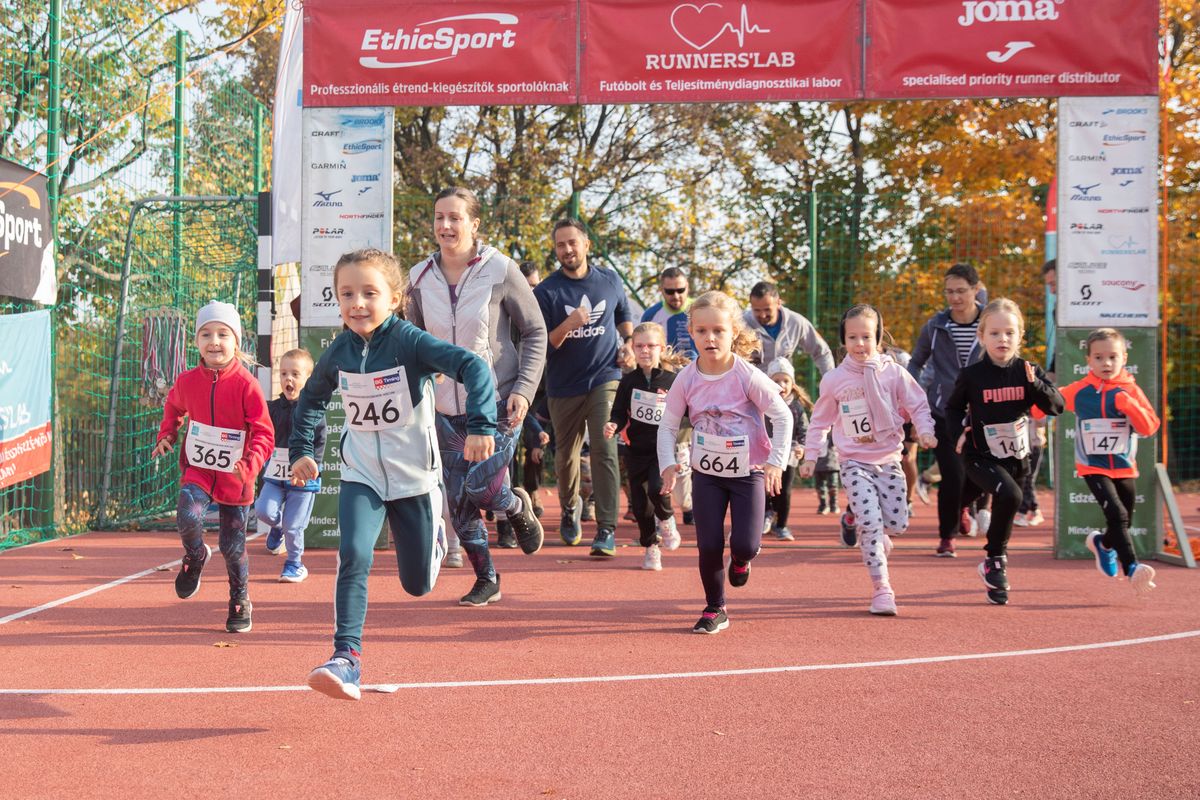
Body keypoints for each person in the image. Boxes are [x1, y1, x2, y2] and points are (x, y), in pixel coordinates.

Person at [290, 248, 496, 701]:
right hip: (360, 473)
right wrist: (302, 450)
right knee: (354, 555)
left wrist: (482, 425)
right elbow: (310, 399)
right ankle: (346, 659)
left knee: (417, 585)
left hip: (413, 479)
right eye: (346, 294)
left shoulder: (410, 343)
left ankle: (436, 540)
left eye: (369, 293)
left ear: (395, 297)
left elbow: (473, 367)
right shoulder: (339, 351)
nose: (357, 303)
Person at [408, 187, 547, 607]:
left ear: (474, 224)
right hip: (445, 411)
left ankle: (513, 505)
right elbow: (415, 344)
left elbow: (535, 332)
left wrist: (523, 389)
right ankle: (487, 579)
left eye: (454, 217)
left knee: (482, 488)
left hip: (499, 403)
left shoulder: (500, 270)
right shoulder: (419, 277)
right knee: (459, 502)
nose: (445, 226)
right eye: (438, 217)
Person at [657, 291, 792, 634]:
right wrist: (668, 463)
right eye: (702, 331)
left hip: (748, 473)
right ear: (691, 333)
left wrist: (776, 462)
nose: (710, 338)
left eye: (718, 330)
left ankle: (742, 560)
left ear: (734, 332)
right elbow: (669, 424)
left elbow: (783, 416)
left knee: (746, 544)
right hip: (707, 474)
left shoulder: (747, 376)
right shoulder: (686, 378)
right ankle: (715, 607)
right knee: (708, 543)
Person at [800, 305, 936, 616]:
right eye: (853, 337)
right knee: (871, 525)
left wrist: (925, 431)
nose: (860, 344)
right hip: (854, 463)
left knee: (897, 524)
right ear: (843, 341)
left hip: (889, 460)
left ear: (878, 337)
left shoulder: (893, 373)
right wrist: (811, 457)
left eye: (866, 336)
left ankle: (867, 530)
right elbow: (820, 422)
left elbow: (917, 404)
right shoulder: (834, 380)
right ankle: (881, 588)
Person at [151, 300, 273, 633]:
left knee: (233, 547)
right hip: (200, 470)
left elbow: (264, 433)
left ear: (236, 342)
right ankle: (194, 557)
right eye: (206, 334)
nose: (214, 341)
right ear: (196, 343)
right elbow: (173, 406)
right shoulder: (188, 381)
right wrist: (168, 435)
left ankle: (240, 598)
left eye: (222, 333)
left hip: (236, 476)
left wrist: (250, 465)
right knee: (188, 515)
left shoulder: (247, 385)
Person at [946, 298, 1064, 605]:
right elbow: (953, 406)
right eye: (995, 333)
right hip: (979, 456)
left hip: (1014, 458)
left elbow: (1057, 406)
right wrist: (958, 433)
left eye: (1010, 333)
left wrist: (1035, 384)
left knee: (981, 495)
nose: (1003, 340)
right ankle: (995, 560)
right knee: (1010, 495)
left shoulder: (1027, 371)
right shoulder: (973, 375)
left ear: (1020, 336)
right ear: (981, 337)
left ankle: (964, 510)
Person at [533, 218, 633, 557]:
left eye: (572, 243)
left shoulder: (609, 280)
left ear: (586, 244)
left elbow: (623, 313)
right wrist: (569, 324)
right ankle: (569, 507)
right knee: (566, 458)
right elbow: (542, 345)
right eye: (560, 245)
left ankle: (606, 528)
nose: (567, 250)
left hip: (605, 378)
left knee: (605, 448)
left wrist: (630, 342)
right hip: (563, 385)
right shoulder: (546, 292)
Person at [1056, 328, 1160, 594]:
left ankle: (1104, 544)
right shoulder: (1080, 390)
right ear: (1088, 360)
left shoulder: (1130, 390)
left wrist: (1128, 405)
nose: (1106, 363)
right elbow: (1049, 402)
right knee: (1117, 514)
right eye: (1099, 358)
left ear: (1124, 358)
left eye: (1113, 357)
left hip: (1124, 466)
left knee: (1124, 520)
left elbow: (1149, 427)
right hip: (1092, 465)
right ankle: (1133, 568)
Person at [907, 263, 986, 558]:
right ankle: (946, 536)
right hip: (944, 411)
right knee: (952, 474)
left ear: (976, 290)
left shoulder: (989, 322)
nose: (954, 298)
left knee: (980, 474)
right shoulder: (936, 326)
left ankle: (965, 505)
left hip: (982, 411)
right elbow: (916, 361)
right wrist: (913, 397)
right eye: (949, 292)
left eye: (961, 291)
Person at [603, 322, 685, 570]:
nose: (645, 351)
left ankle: (668, 519)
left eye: (651, 345)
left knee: (657, 489)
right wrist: (612, 425)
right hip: (636, 450)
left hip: (662, 449)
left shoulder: (674, 380)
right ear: (633, 349)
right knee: (640, 505)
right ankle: (651, 547)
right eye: (639, 346)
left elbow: (688, 413)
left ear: (661, 348)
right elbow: (618, 413)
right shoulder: (628, 381)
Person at [256, 348, 325, 582]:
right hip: (276, 476)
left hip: (303, 479)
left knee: (294, 525)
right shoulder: (272, 408)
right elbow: (262, 434)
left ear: (308, 379)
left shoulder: (314, 411)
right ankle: (277, 529)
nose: (288, 379)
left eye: (295, 374)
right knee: (263, 510)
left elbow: (319, 443)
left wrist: (309, 467)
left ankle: (295, 563)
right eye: (284, 373)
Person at [761, 357, 808, 542]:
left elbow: (803, 429)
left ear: (792, 383)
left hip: (788, 455)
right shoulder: (762, 403)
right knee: (764, 487)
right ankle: (766, 513)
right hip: (766, 453)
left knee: (784, 490)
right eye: (776, 380)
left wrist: (801, 446)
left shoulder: (796, 407)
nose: (782, 385)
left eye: (786, 381)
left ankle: (781, 526)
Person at [743, 281, 835, 376]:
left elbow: (821, 351)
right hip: (753, 384)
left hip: (784, 384)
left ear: (778, 303)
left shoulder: (795, 322)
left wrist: (830, 380)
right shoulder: (742, 324)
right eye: (757, 310)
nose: (762, 315)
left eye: (767, 309)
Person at [641, 267, 696, 359]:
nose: (676, 296)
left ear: (687, 286)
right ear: (661, 289)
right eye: (670, 291)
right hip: (665, 372)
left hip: (699, 371)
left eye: (680, 290)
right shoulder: (650, 316)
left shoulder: (701, 309)